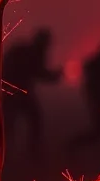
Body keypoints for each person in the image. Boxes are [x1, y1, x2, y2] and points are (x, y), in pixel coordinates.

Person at [4, 27, 63, 156]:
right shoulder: (32, 53)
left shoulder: (26, 50)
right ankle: (28, 151)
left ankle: (10, 151)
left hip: (13, 91)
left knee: (15, 122)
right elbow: (39, 73)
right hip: (13, 91)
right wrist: (56, 76)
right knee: (20, 121)